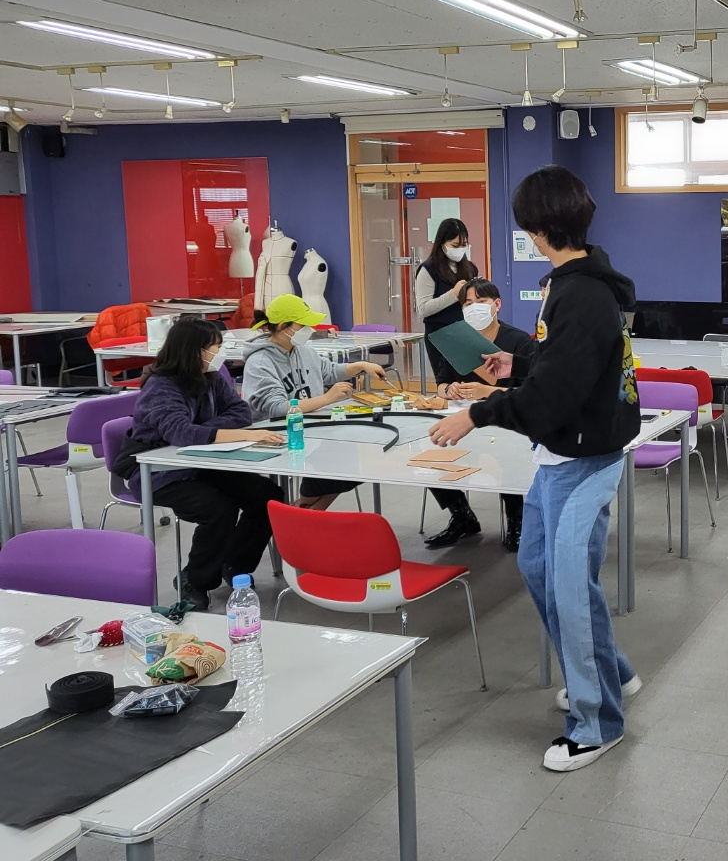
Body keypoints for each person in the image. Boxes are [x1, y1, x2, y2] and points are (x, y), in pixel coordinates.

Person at [429, 165, 642, 772]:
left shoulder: (583, 294)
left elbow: (554, 399)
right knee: (539, 566)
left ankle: (596, 722)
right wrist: (516, 366)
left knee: (570, 586)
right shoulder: (575, 283)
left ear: (539, 228)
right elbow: (568, 368)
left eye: (525, 226)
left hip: (585, 458)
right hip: (560, 457)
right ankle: (611, 673)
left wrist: (478, 413)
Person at [124, 318, 286, 610]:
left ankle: (235, 564)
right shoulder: (161, 386)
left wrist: (203, 430)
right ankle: (195, 580)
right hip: (160, 472)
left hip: (204, 462)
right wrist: (231, 434)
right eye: (216, 347)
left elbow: (241, 412)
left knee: (268, 497)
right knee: (218, 509)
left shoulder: (210, 377)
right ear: (195, 350)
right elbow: (180, 433)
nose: (220, 353)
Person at [241, 294, 385, 510]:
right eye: (303, 325)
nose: (309, 329)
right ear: (282, 327)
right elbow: (277, 408)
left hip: (313, 428)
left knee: (350, 457)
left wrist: (362, 366)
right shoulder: (260, 362)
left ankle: (306, 509)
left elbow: (329, 371)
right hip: (278, 434)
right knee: (334, 461)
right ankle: (304, 510)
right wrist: (327, 398)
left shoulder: (303, 351)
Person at [432, 278, 537, 551]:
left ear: (497, 304)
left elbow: (530, 391)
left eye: (481, 302)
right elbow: (441, 383)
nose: (474, 307)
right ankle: (461, 515)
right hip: (461, 419)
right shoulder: (457, 340)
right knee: (433, 448)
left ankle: (516, 521)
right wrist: (449, 389)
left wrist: (486, 391)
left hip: (505, 421)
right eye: (468, 303)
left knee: (507, 454)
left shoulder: (518, 341)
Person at [414, 216, 484, 542]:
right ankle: (460, 512)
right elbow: (424, 309)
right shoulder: (428, 270)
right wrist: (454, 294)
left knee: (476, 394)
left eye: (464, 244)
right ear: (442, 243)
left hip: (468, 336)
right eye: (455, 244)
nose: (460, 249)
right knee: (450, 395)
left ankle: (513, 517)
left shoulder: (469, 267)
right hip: (441, 338)